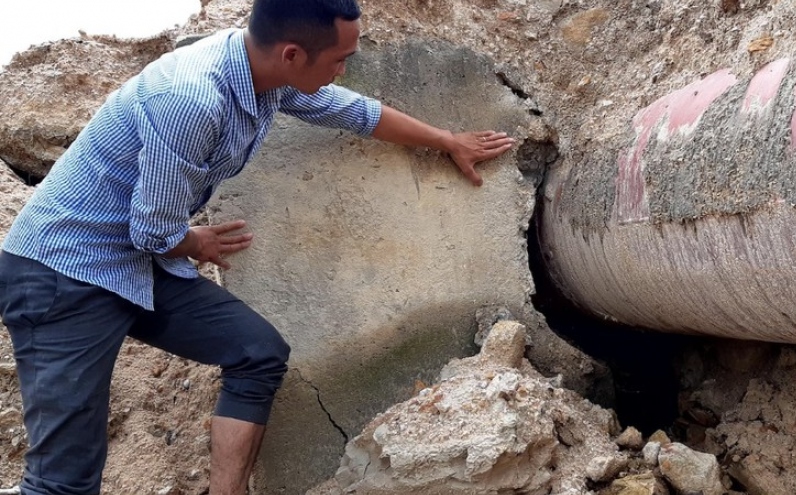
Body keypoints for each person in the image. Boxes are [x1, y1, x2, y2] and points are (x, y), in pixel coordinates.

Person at [0, 0, 515, 494]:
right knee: (64, 480)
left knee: (258, 353)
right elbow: (153, 230)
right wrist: (196, 241)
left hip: (135, 263)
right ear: (292, 54)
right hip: (62, 273)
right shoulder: (191, 99)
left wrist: (446, 140)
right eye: (339, 59)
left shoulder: (262, 75)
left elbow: (351, 110)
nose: (342, 71)